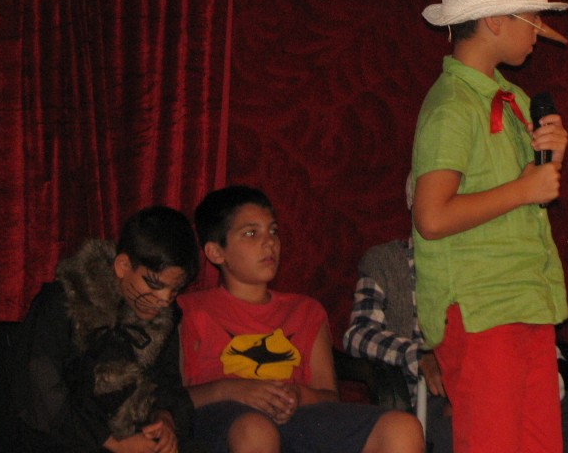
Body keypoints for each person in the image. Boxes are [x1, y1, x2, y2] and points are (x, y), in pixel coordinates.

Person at [411, 0, 568, 453]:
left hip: (526, 300)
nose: (539, 30)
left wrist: (546, 165)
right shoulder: (453, 106)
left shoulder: (513, 98)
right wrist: (524, 188)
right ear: (496, 21)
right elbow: (431, 216)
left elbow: (524, 199)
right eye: (533, 17)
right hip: (480, 308)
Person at [177, 185, 423, 453]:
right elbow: (172, 398)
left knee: (403, 428)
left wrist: (297, 395)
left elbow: (328, 395)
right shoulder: (189, 310)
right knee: (256, 430)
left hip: (297, 419)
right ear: (216, 252)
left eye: (273, 231)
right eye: (251, 233)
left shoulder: (305, 311)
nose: (269, 243)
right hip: (226, 419)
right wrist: (234, 390)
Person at [343, 236, 568, 453]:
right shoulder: (386, 261)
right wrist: (418, 355)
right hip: (434, 396)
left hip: (510, 385)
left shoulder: (490, 258)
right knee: (471, 427)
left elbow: (526, 333)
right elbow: (359, 333)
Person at [11, 205, 202, 453]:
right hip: (66, 442)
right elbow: (41, 389)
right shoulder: (65, 300)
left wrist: (165, 420)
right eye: (155, 285)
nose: (164, 299)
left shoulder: (162, 317)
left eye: (174, 290)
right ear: (123, 266)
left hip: (135, 438)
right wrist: (113, 442)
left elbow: (167, 382)